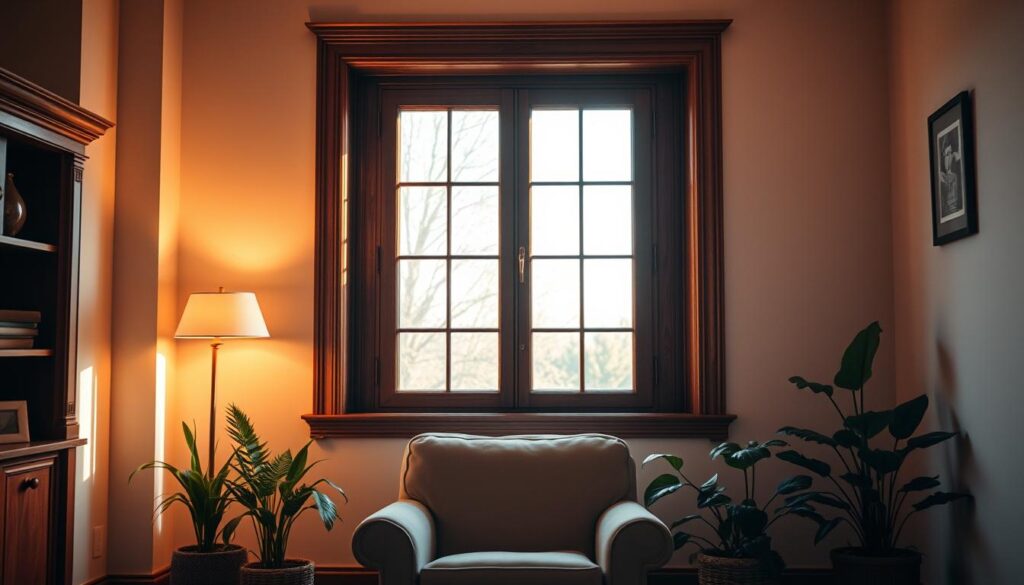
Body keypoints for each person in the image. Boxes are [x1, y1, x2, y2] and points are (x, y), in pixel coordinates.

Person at [938, 131, 963, 219]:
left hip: (950, 176)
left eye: (951, 152)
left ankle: (953, 204)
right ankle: (951, 204)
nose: (949, 154)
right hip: (945, 177)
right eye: (947, 153)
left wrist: (955, 154)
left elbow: (959, 156)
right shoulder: (942, 162)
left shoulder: (953, 156)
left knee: (954, 177)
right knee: (953, 177)